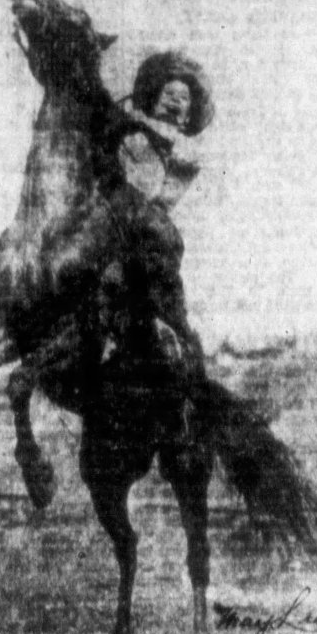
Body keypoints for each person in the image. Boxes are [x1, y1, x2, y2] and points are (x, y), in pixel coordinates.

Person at [97, 51, 214, 392]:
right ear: (153, 97)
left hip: (147, 237)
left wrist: (133, 121)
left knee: (165, 305)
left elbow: (153, 196)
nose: (176, 102)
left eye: (183, 98)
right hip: (109, 221)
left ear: (189, 113)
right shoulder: (129, 131)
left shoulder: (183, 154)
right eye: (169, 94)